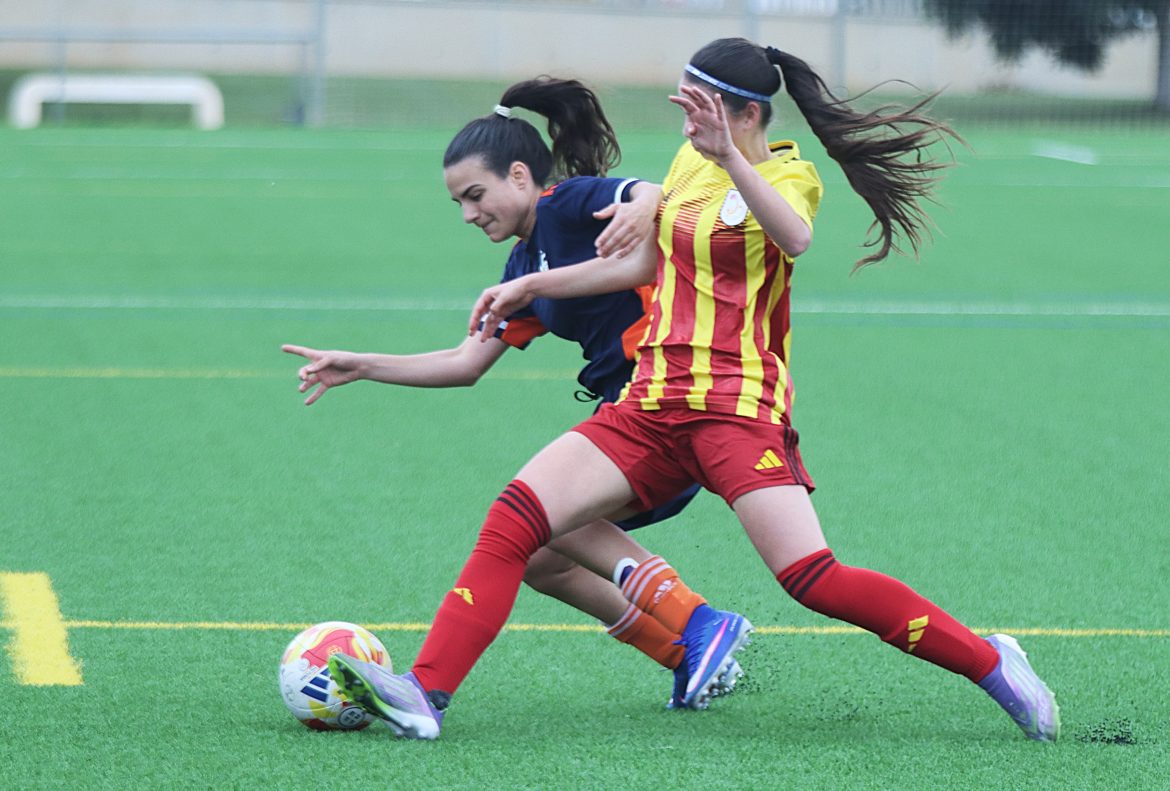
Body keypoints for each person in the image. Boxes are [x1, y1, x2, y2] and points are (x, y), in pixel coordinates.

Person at [328, 38, 1060, 743]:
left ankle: (991, 662)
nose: (686, 128)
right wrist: (533, 284)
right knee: (516, 518)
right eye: (683, 112)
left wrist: (729, 160)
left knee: (813, 578)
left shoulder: (789, 175)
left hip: (736, 408)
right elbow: (638, 265)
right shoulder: (688, 164)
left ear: (746, 114)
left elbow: (794, 237)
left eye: (699, 112)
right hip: (649, 404)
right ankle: (425, 693)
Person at [283, 76, 750, 712]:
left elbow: (651, 193)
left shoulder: (568, 202)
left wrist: (646, 203)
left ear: (522, 176)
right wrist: (361, 365)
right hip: (632, 418)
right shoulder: (524, 265)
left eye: (475, 195)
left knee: (533, 518)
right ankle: (684, 651)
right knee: (540, 559)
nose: (468, 214)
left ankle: (698, 624)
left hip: (664, 409)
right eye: (458, 203)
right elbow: (465, 362)